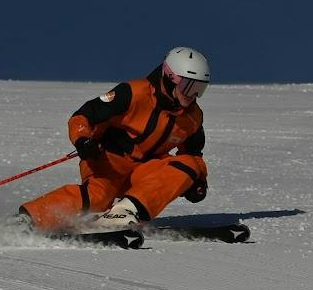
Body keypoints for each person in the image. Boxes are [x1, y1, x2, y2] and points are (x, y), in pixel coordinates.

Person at [18, 47, 211, 232]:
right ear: (170, 78)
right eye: (189, 86)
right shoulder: (134, 93)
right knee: (98, 198)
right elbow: (84, 115)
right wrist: (83, 140)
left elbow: (193, 154)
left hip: (145, 170)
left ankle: (125, 211)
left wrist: (198, 182)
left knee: (190, 164)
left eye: (200, 89)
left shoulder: (192, 117)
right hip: (108, 161)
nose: (193, 95)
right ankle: (27, 221)